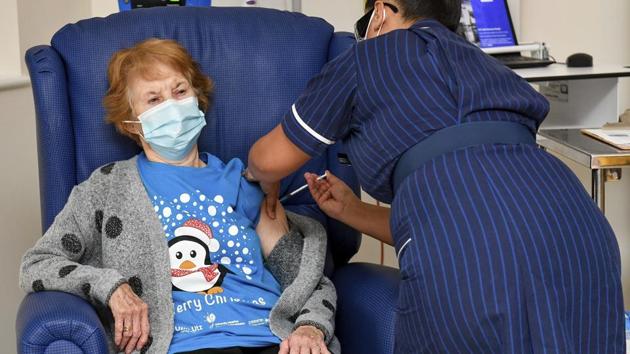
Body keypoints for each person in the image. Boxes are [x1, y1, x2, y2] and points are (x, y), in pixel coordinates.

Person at [246, 0, 625, 353]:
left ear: (380, 13)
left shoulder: (366, 58)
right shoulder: (489, 66)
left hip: (469, 256)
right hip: (579, 232)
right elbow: (481, 212)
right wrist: (351, 210)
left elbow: (269, 159)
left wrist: (260, 178)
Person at [20, 38, 340, 354]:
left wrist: (310, 328)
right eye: (154, 99)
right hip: (185, 345)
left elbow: (305, 279)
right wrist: (111, 287)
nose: (172, 106)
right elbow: (37, 264)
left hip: (270, 338)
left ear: (197, 97)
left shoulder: (245, 183)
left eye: (180, 91)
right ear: (131, 122)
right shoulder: (106, 188)